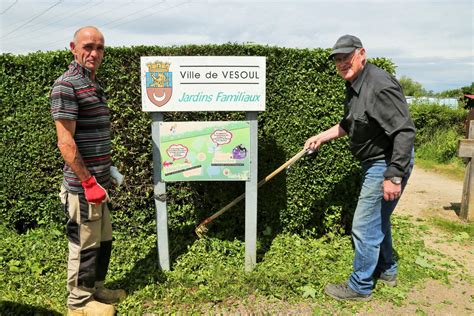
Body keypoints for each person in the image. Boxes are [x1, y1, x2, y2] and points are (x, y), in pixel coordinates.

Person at [305, 34, 415, 301]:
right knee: (378, 220)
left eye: (347, 57)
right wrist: (321, 136)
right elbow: (350, 123)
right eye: (338, 60)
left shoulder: (378, 85)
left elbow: (404, 131)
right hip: (376, 162)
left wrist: (394, 176)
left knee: (364, 226)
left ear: (362, 53)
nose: (342, 63)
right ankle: (387, 270)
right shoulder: (356, 84)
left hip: (386, 163)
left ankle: (360, 286)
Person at [50, 26, 126, 315]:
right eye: (88, 46)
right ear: (73, 47)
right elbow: (66, 142)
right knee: (84, 245)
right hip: (84, 188)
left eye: (100, 47)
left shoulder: (94, 84)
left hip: (100, 181)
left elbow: (91, 136)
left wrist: (108, 168)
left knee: (102, 241)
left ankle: (96, 289)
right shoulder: (66, 86)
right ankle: (78, 303)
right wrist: (88, 182)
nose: (94, 53)